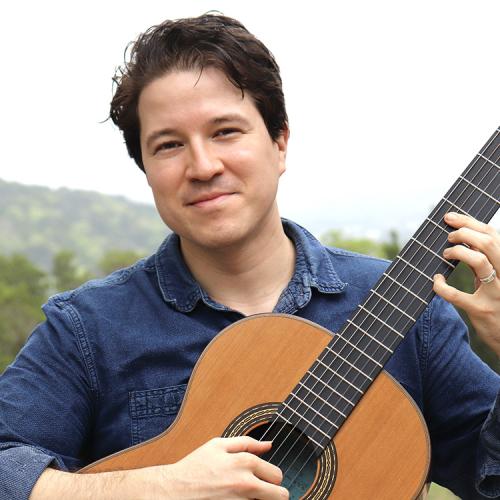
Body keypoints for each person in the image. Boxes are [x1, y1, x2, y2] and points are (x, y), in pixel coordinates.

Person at [0, 13, 499, 500]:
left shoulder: (411, 312)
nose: (202, 165)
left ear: (279, 142)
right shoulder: (89, 329)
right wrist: (159, 486)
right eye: (169, 145)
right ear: (146, 170)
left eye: (225, 132)